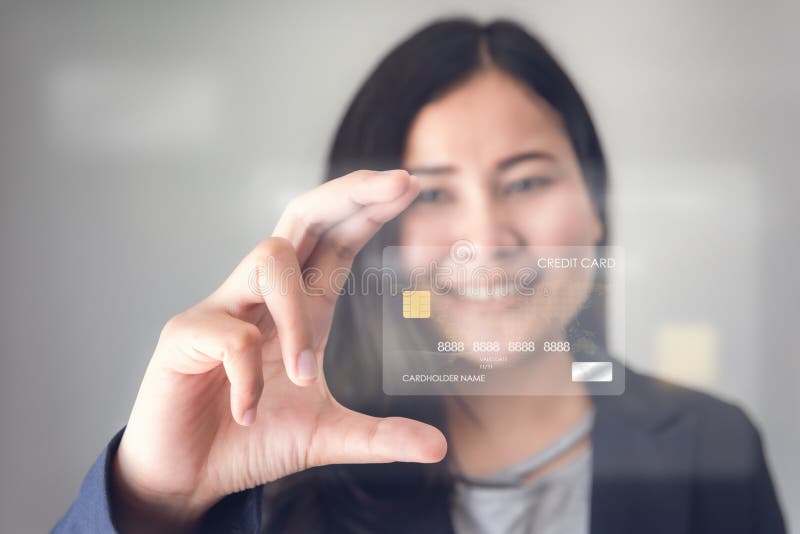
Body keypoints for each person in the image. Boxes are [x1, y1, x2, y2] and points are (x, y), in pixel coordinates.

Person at [54, 18, 786, 534]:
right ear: (377, 239)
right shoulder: (288, 463)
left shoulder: (712, 445)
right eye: (432, 195)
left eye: (527, 181)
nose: (487, 240)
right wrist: (156, 501)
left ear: (596, 211)